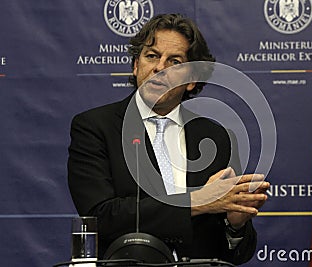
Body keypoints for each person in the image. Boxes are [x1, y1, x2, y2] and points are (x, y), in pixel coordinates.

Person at [68, 13, 269, 265]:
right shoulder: (95, 127)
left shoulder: (217, 139)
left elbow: (236, 254)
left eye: (174, 62)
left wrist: (234, 223)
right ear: (135, 65)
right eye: (151, 56)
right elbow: (102, 218)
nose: (159, 68)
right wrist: (199, 201)